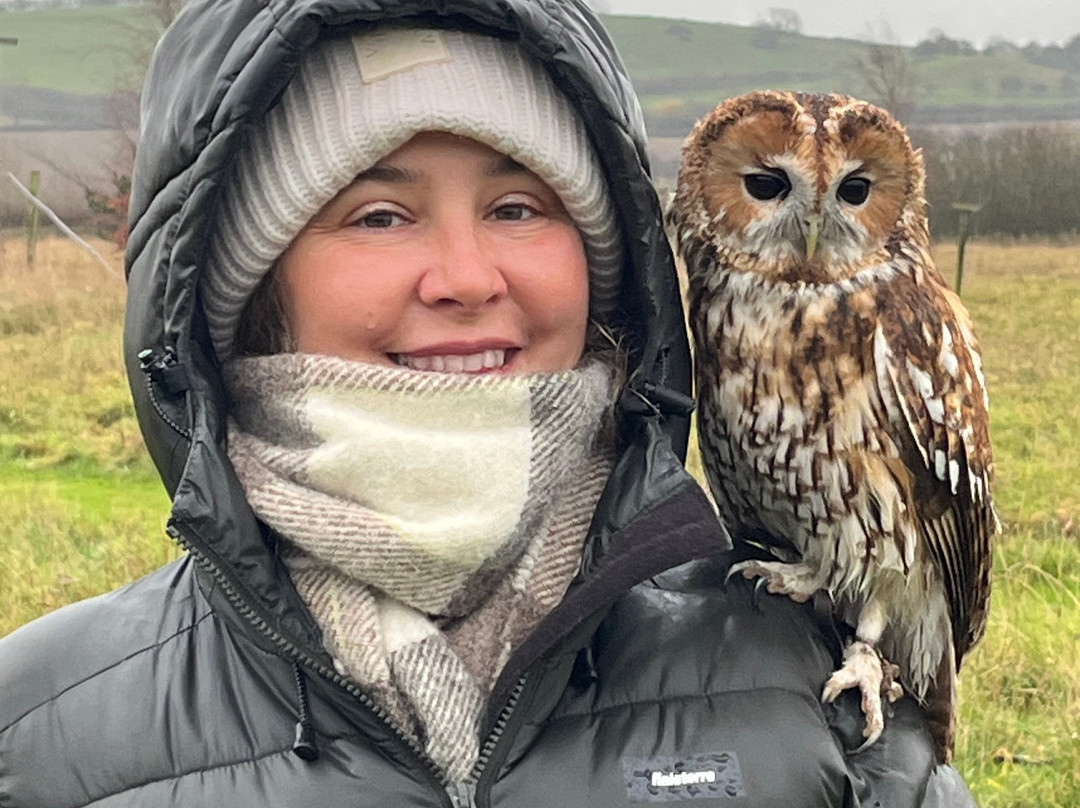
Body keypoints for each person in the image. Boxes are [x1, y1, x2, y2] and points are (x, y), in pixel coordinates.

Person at [0, 1, 978, 805]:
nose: (467, 278)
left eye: (517, 208)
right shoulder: (38, 739)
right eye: (380, 215)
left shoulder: (817, 708)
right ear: (238, 286)